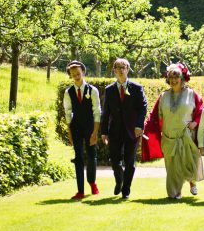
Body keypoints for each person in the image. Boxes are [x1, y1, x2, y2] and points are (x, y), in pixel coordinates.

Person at [143, 63, 204, 199]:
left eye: (176, 77)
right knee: (172, 168)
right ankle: (175, 193)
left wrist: (196, 122)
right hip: (169, 137)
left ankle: (192, 182)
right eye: (171, 78)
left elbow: (201, 110)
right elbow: (154, 116)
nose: (174, 80)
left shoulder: (191, 94)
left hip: (187, 135)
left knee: (189, 163)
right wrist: (145, 128)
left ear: (182, 78)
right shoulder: (163, 96)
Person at [100, 58, 148, 199]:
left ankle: (126, 189)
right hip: (114, 131)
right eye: (118, 67)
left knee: (130, 162)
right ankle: (119, 181)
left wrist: (139, 125)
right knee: (115, 161)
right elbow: (105, 112)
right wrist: (104, 132)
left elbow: (143, 108)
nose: (121, 70)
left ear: (128, 69)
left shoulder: (137, 88)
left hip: (133, 131)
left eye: (123, 67)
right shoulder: (109, 90)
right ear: (114, 70)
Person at [62, 60, 101, 200]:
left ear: (83, 72)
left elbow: (97, 112)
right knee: (78, 158)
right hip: (76, 127)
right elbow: (68, 113)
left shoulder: (93, 90)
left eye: (78, 73)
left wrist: (95, 132)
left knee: (91, 156)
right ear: (70, 75)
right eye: (73, 74)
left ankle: (92, 182)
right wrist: (70, 133)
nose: (76, 76)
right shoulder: (68, 92)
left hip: (90, 126)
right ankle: (80, 191)